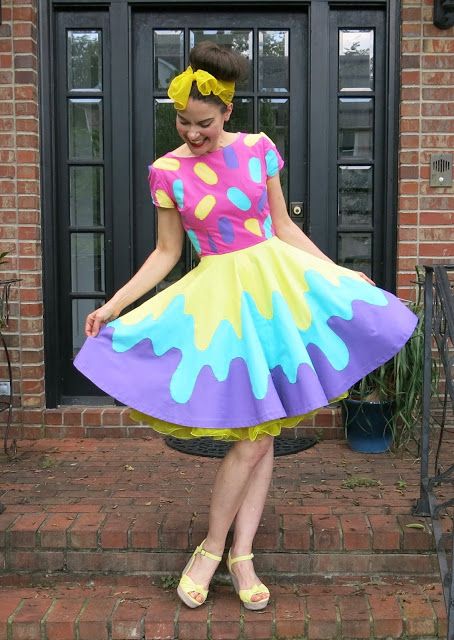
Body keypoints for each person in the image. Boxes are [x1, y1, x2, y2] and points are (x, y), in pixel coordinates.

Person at [74, 41, 417, 610]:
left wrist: (336, 274)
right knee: (257, 434)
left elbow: (281, 227)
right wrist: (114, 305)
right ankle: (228, 553)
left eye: (203, 123)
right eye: (183, 122)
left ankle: (227, 551)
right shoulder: (166, 171)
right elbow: (165, 253)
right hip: (222, 304)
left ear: (228, 111)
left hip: (276, 293)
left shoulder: (259, 151)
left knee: (263, 433)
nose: (192, 133)